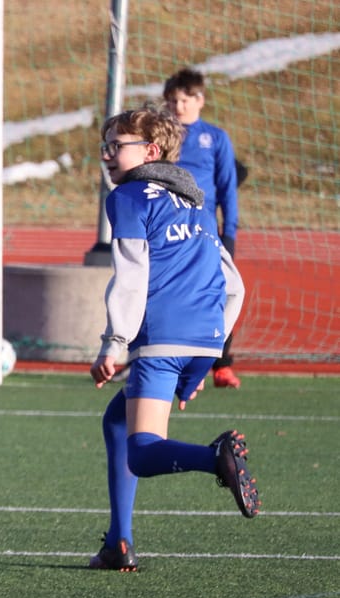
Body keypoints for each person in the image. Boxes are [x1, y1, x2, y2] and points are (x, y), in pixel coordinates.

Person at [89, 104, 260, 572]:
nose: (106, 154)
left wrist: (114, 342)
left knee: (143, 452)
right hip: (205, 338)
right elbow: (235, 287)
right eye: (104, 145)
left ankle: (216, 457)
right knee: (118, 424)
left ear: (151, 150)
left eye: (116, 146)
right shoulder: (195, 202)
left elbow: (131, 276)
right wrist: (205, 355)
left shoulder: (128, 198)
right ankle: (118, 543)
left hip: (161, 338)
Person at [163, 67, 243, 389]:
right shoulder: (161, 138)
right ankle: (169, 360)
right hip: (169, 230)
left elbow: (228, 188)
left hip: (207, 231)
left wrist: (231, 233)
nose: (176, 107)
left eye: (182, 100)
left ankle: (221, 365)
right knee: (171, 294)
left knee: (220, 294)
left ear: (199, 100)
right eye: (171, 101)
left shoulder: (215, 138)